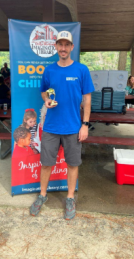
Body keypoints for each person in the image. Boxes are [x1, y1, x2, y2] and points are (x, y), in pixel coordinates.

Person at [30, 30, 94, 220]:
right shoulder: (49, 70)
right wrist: (47, 99)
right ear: (56, 47)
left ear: (72, 47)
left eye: (67, 44)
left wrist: (85, 125)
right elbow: (43, 92)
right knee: (46, 164)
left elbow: (88, 101)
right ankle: (42, 195)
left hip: (73, 127)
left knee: (73, 164)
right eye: (60, 44)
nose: (63, 48)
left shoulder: (81, 70)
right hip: (51, 127)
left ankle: (70, 198)